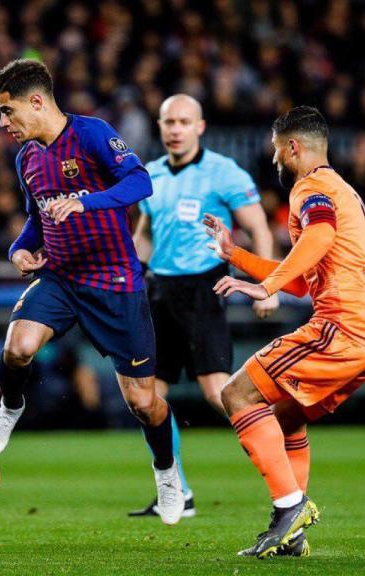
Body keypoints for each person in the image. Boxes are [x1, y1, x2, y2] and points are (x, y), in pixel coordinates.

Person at [0, 59, 185, 525]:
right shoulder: (26, 158)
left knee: (143, 403)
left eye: (7, 111)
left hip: (115, 281)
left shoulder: (92, 134)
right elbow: (38, 217)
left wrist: (87, 200)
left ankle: (166, 472)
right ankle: (11, 407)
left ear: (36, 101)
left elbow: (140, 181)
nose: (2, 123)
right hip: (60, 278)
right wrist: (19, 249)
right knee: (17, 348)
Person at [206, 106, 365, 558]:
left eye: (276, 151)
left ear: (293, 147)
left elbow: (320, 236)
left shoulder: (310, 188)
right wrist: (238, 255)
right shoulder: (340, 189)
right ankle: (292, 533)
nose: (274, 161)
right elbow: (304, 275)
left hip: (342, 326)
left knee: (236, 395)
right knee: (286, 417)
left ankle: (290, 507)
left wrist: (263, 286)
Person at [129, 94, 279, 519]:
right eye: (168, 122)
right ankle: (177, 491)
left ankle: (283, 465)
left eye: (183, 121)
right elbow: (145, 232)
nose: (175, 129)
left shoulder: (223, 172)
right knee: (148, 398)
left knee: (219, 393)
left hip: (203, 289)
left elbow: (257, 228)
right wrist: (127, 277)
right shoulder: (151, 174)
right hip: (159, 291)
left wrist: (267, 285)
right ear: (160, 127)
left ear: (200, 126)